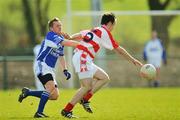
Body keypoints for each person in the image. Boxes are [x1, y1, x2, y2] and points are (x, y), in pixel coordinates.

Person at [60, 12, 143, 118]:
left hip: (85, 58)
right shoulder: (105, 32)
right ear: (109, 23)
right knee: (86, 87)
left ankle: (85, 99)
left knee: (104, 78)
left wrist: (71, 37)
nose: (113, 27)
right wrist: (132, 59)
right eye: (114, 25)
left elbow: (81, 34)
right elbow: (119, 50)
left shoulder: (95, 30)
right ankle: (67, 110)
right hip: (83, 57)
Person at [18, 17, 79, 118]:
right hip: (42, 64)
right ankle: (39, 112)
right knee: (50, 88)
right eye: (57, 26)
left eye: (60, 26)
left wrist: (65, 69)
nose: (60, 27)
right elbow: (67, 43)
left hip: (49, 68)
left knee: (54, 95)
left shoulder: (60, 39)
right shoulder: (51, 36)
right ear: (51, 28)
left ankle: (28, 92)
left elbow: (61, 55)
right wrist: (81, 45)